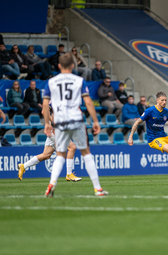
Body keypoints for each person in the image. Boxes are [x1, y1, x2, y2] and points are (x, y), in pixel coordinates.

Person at [42, 52, 108, 197]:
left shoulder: (51, 82)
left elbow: (45, 105)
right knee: (86, 153)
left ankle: (52, 184)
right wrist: (95, 121)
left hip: (59, 122)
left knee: (60, 154)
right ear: (72, 65)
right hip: (76, 120)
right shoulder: (78, 80)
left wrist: (47, 123)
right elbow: (88, 102)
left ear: (59, 66)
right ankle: (97, 189)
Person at [128, 91, 168, 182]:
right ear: (157, 100)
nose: (164, 102)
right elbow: (137, 122)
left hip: (164, 137)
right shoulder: (150, 111)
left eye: (165, 100)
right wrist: (130, 137)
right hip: (154, 139)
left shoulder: (167, 112)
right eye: (162, 100)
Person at [17, 107, 81, 182]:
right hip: (56, 131)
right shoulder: (57, 100)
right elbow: (45, 111)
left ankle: (23, 166)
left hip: (55, 131)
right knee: (72, 147)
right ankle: (69, 174)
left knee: (46, 155)